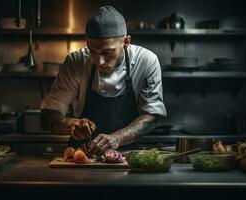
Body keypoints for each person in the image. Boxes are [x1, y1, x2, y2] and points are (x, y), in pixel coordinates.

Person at [40, 6, 166, 155]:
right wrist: (71, 124)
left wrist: (116, 139)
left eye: (107, 52)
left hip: (128, 156)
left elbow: (152, 116)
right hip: (82, 154)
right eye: (92, 51)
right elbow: (47, 116)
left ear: (126, 41)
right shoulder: (75, 62)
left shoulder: (146, 61)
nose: (99, 61)